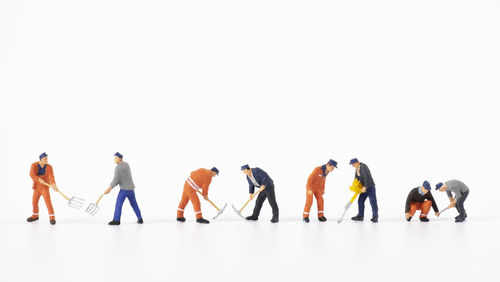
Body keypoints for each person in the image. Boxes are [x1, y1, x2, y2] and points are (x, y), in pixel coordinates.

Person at [104, 152, 143, 225]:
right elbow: (124, 176)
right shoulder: (127, 164)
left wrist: (109, 189)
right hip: (131, 189)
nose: (114, 159)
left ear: (120, 158)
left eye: (116, 158)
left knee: (118, 204)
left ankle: (116, 220)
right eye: (114, 158)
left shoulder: (117, 168)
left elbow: (115, 180)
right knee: (134, 204)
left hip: (124, 190)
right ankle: (140, 218)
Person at [27, 152, 59, 225]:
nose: (46, 160)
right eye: (45, 159)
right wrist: (38, 179)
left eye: (47, 159)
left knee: (48, 202)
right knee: (34, 202)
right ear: (40, 159)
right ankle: (35, 215)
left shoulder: (49, 167)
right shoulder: (34, 165)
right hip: (37, 187)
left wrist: (54, 184)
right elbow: (31, 174)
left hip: (45, 187)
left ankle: (52, 217)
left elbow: (51, 177)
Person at [349, 158, 379, 223]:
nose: (352, 165)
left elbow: (367, 177)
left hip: (370, 187)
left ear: (357, 162)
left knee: (373, 202)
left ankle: (375, 217)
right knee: (360, 201)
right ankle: (360, 216)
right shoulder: (357, 169)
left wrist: (365, 186)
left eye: (353, 164)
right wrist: (355, 185)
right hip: (363, 189)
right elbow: (356, 177)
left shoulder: (364, 167)